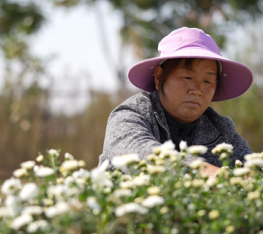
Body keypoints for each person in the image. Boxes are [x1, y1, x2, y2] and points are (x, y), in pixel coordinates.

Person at [99, 27, 253, 177]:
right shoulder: (130, 115)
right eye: (187, 77)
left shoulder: (221, 129)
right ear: (159, 77)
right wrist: (207, 173)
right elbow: (140, 155)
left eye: (207, 81)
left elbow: (255, 170)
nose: (197, 90)